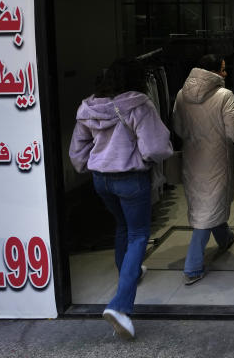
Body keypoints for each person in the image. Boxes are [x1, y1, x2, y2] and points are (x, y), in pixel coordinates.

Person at [69, 58, 173, 340]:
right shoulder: (139, 105)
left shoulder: (88, 107)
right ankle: (120, 305)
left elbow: (77, 150)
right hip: (130, 178)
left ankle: (128, 276)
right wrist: (151, 160)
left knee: (123, 228)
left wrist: (85, 166)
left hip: (101, 180)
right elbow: (154, 146)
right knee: (139, 234)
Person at [172, 54, 234, 285]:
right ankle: (192, 267)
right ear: (212, 72)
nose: (225, 73)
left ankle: (225, 237)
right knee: (208, 208)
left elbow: (179, 128)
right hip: (217, 157)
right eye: (223, 69)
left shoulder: (182, 95)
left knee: (206, 202)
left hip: (193, 158)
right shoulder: (225, 96)